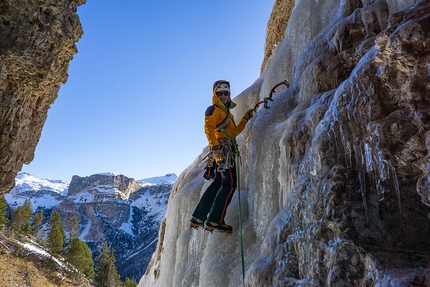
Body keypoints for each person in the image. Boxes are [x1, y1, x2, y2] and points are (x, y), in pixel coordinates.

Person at [190, 80, 254, 234]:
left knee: (219, 183)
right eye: (221, 93)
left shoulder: (226, 114)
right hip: (223, 152)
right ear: (215, 95)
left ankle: (199, 216)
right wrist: (215, 147)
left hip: (224, 150)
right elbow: (208, 127)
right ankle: (215, 220)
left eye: (227, 93)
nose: (224, 96)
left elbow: (233, 133)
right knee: (230, 184)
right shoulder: (214, 110)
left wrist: (246, 118)